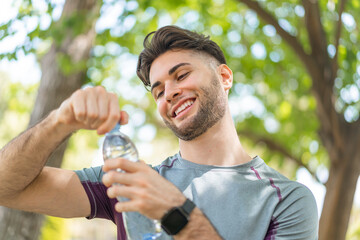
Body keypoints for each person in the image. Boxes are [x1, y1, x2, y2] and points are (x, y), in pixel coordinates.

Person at [0, 25, 318, 239]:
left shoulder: (286, 200)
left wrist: (178, 216)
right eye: (158, 91)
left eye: (181, 75)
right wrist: (58, 122)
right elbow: (6, 188)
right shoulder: (127, 182)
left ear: (224, 77)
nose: (170, 93)